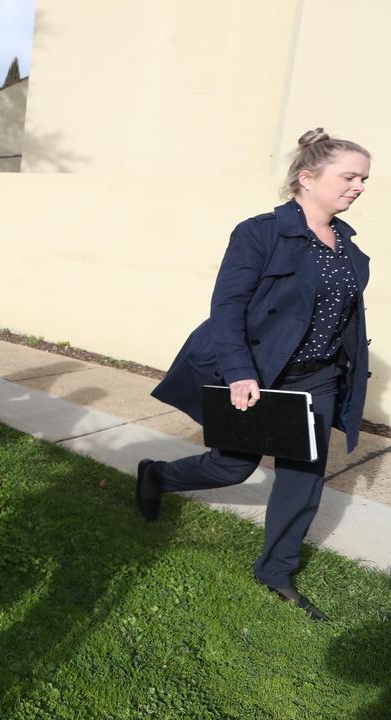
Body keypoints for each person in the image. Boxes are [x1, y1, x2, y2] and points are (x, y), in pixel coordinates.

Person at [142, 128, 372, 622]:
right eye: (349, 176)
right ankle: (156, 475)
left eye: (364, 179)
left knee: (303, 478)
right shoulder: (260, 232)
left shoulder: (348, 248)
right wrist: (239, 372)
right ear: (307, 178)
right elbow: (227, 307)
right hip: (262, 374)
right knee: (232, 467)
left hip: (318, 379)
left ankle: (276, 570)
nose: (359, 186)